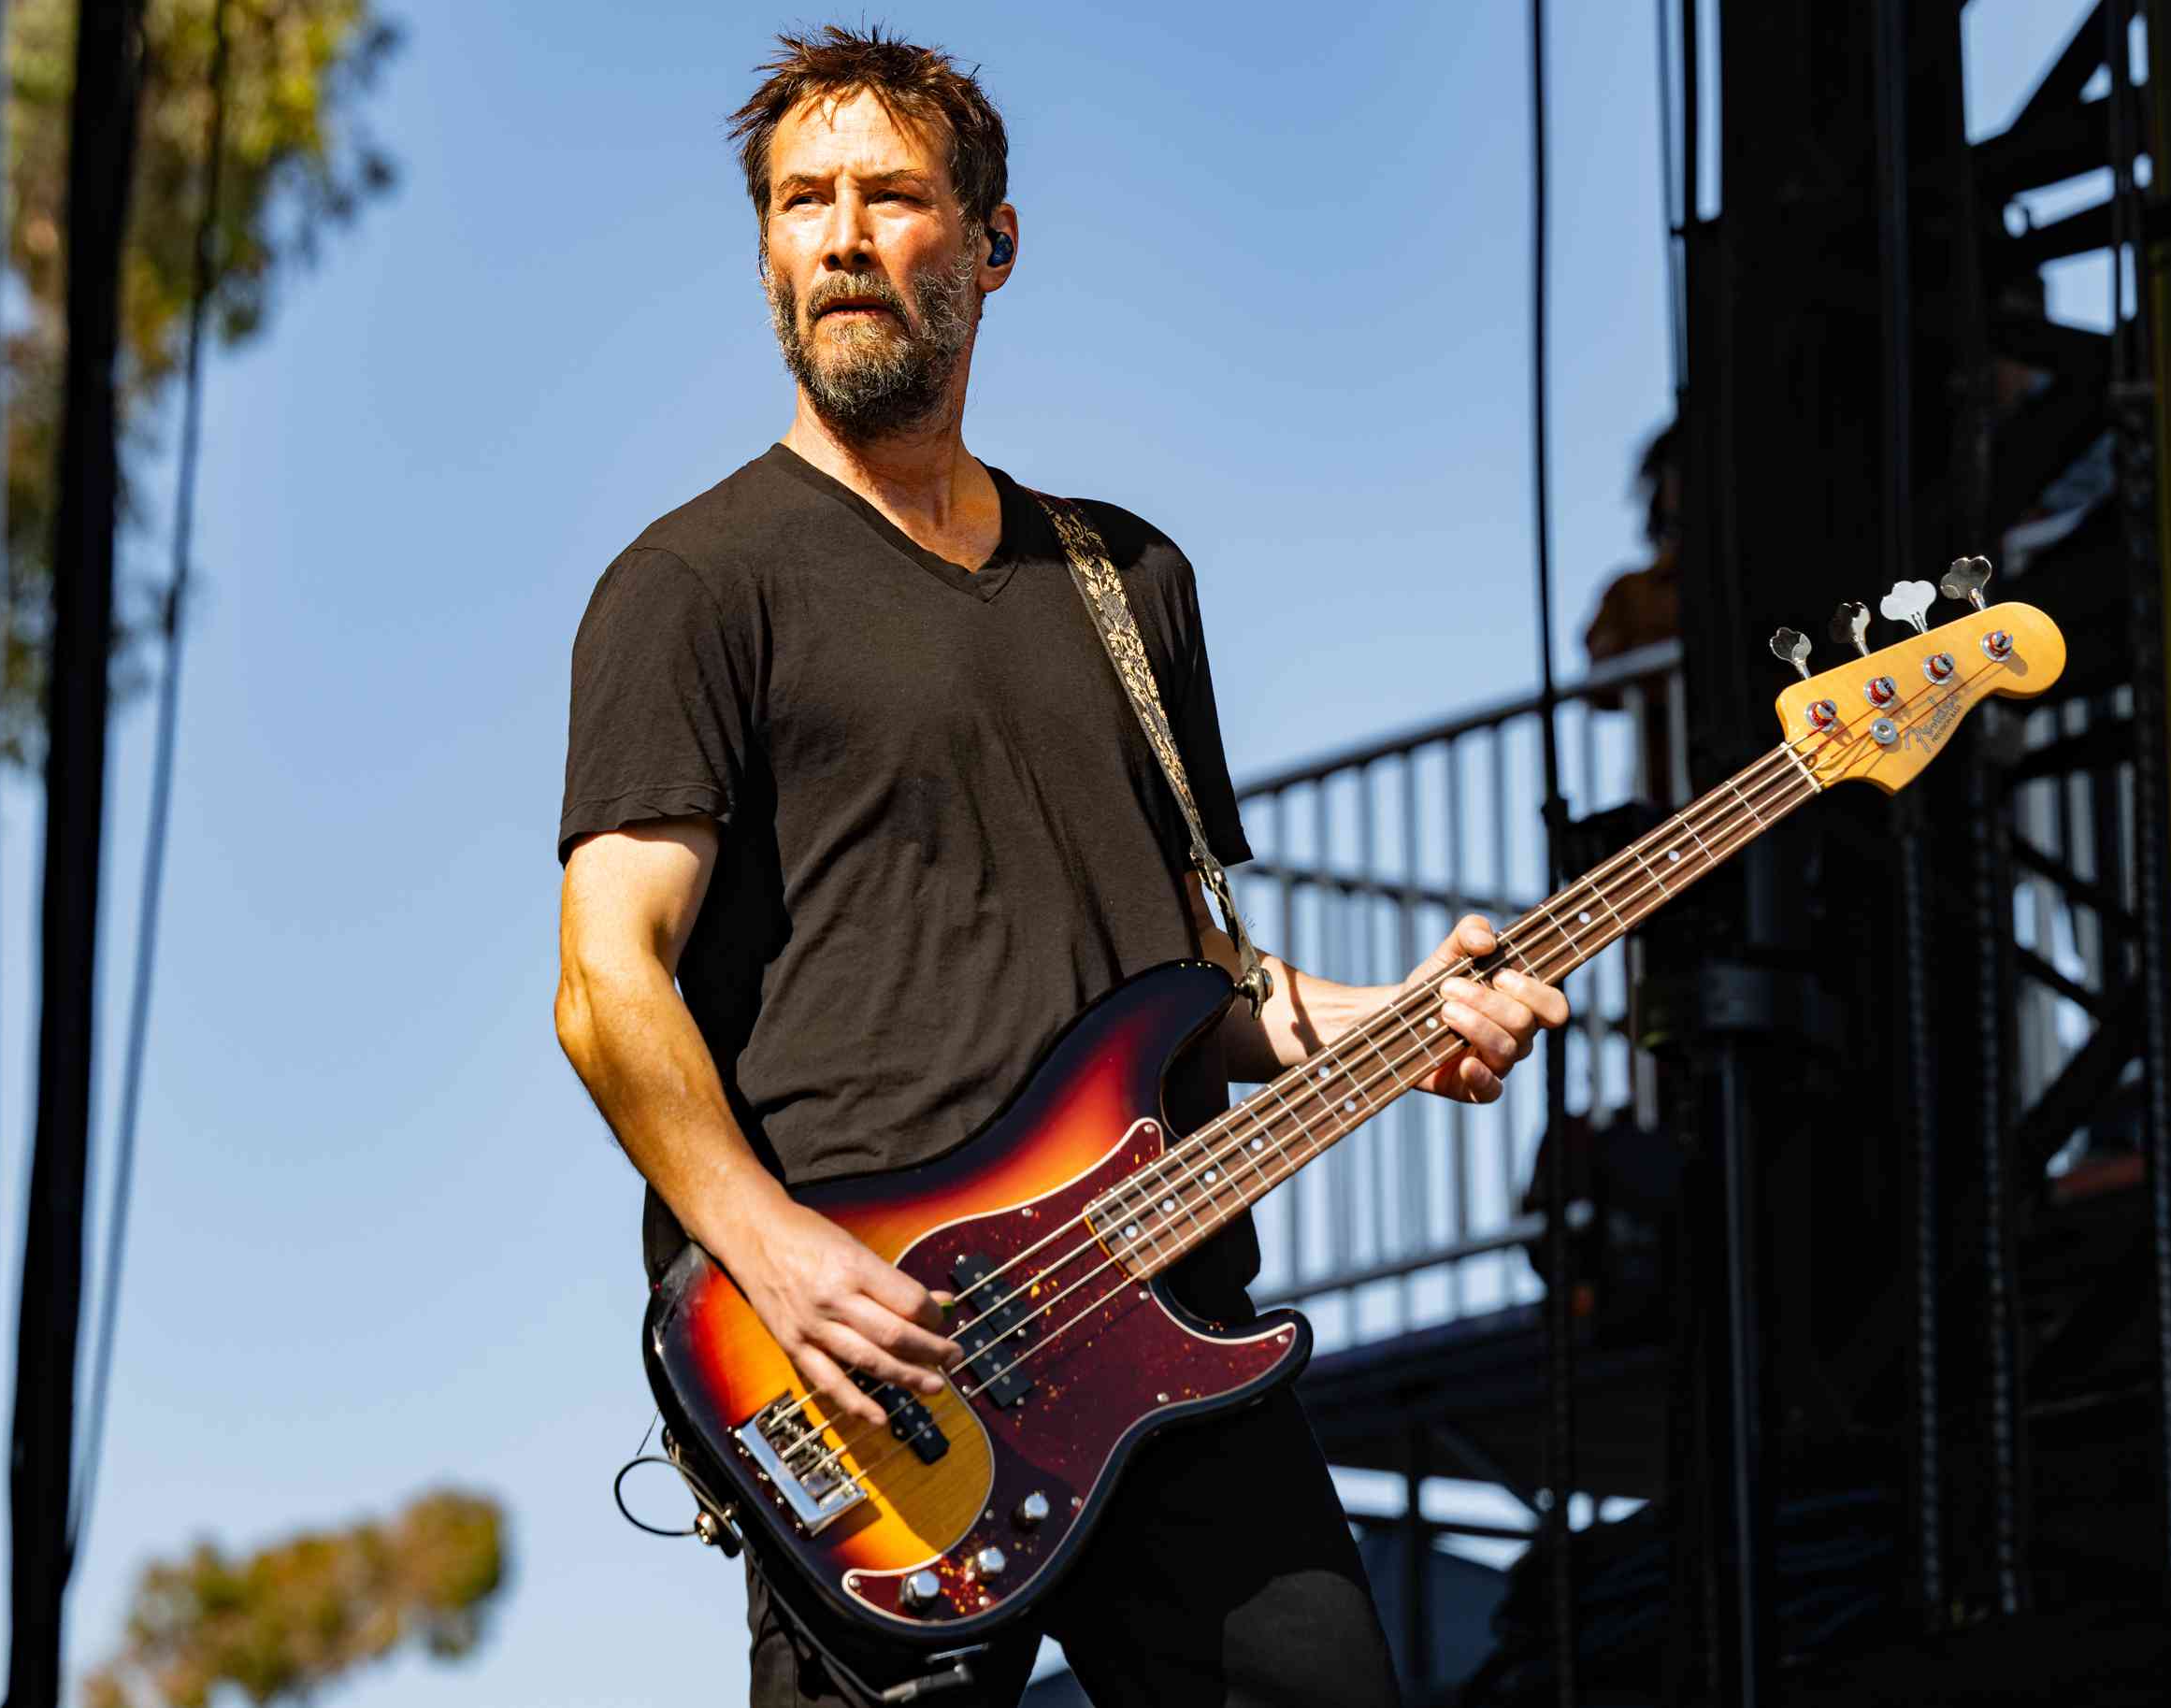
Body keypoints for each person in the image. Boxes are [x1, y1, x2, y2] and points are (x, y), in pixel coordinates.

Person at [552, 27, 1569, 1708]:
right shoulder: (690, 585)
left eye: (891, 196)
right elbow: (609, 985)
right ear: (765, 255)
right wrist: (776, 1256)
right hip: (882, 1361)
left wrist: (1405, 1017)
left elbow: (1193, 975)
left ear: (993, 245)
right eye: (804, 203)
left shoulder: (1124, 576)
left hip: (1170, 1314)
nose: (845, 238)